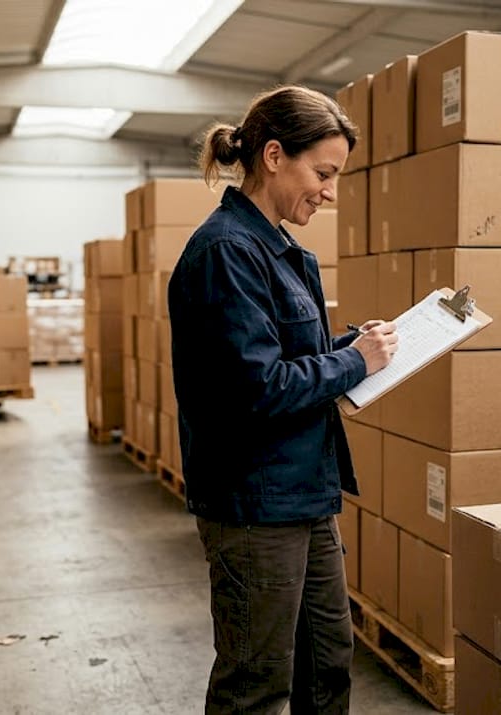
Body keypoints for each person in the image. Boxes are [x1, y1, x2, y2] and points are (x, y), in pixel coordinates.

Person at [167, 85, 399, 714]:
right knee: (257, 683)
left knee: (326, 665)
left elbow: (289, 356)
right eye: (323, 173)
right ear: (274, 156)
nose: (331, 191)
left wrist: (355, 345)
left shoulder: (282, 249)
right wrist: (353, 361)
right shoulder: (225, 253)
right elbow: (255, 390)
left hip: (303, 492)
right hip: (254, 503)